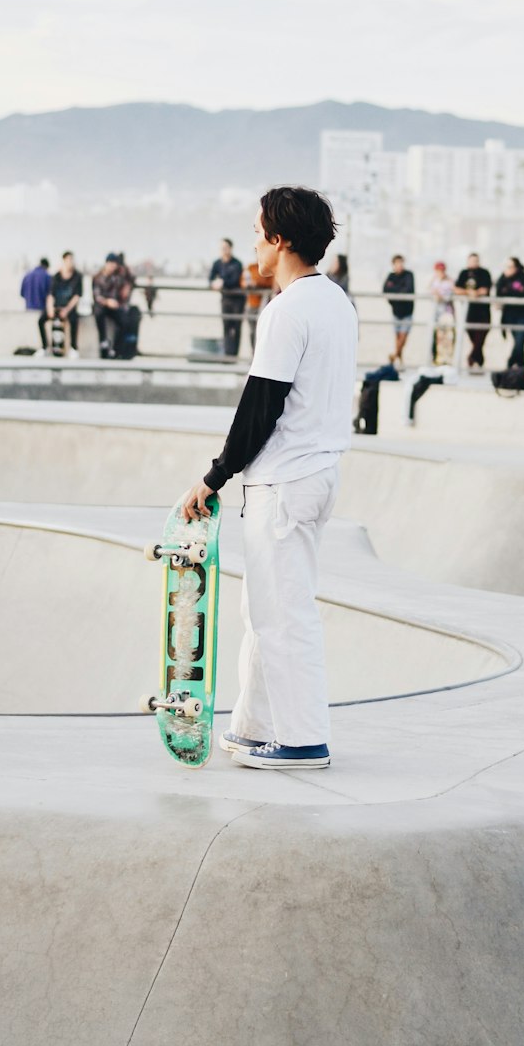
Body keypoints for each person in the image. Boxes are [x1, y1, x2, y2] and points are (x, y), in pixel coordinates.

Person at [180, 186, 358, 770]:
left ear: (280, 239)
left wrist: (214, 477)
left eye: (259, 232)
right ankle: (254, 725)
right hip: (316, 474)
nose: (254, 243)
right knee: (263, 611)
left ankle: (304, 739)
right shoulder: (336, 301)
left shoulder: (287, 310)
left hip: (284, 482)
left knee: (284, 615)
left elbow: (261, 405)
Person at [495, 256, 524, 368]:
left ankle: (509, 365)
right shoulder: (502, 279)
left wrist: (508, 292)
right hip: (510, 316)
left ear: (516, 267)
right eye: (506, 267)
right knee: (519, 343)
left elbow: (523, 294)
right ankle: (520, 367)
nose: (507, 269)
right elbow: (498, 295)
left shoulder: (523, 277)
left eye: (510, 267)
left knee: (519, 341)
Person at [454, 253, 492, 370]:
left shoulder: (484, 273)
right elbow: (456, 288)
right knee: (473, 338)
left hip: (483, 311)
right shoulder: (464, 273)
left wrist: (475, 293)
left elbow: (485, 290)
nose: (473, 263)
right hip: (469, 311)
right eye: (471, 260)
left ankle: (471, 358)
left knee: (480, 338)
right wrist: (469, 292)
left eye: (475, 260)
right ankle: (478, 360)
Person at [209, 238, 245, 358]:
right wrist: (213, 283)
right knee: (226, 325)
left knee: (236, 327)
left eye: (225, 248)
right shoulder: (217, 263)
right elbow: (210, 278)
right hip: (225, 298)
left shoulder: (237, 264)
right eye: (222, 248)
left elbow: (235, 280)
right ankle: (227, 353)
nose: (223, 250)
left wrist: (222, 283)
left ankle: (234, 354)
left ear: (230, 248)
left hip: (238, 299)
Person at [92, 253, 132, 358]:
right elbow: (97, 297)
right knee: (99, 312)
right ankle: (103, 342)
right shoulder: (98, 277)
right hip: (102, 305)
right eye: (112, 264)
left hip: (114, 306)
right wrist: (107, 302)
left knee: (124, 321)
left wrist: (127, 287)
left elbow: (130, 278)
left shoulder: (118, 277)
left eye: (115, 265)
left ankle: (116, 350)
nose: (114, 267)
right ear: (107, 264)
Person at [43, 251, 83, 356]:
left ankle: (73, 348)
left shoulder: (77, 276)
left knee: (74, 319)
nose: (70, 262)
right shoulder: (56, 276)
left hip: (69, 308)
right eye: (68, 260)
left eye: (72, 260)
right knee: (41, 319)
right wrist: (50, 308)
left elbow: (77, 296)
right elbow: (50, 295)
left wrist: (67, 310)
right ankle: (44, 347)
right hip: (56, 307)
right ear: (64, 261)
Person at [383, 254, 415, 365]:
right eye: (397, 263)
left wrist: (394, 290)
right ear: (393, 265)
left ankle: (394, 355)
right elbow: (385, 290)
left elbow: (408, 289)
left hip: (407, 311)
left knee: (403, 336)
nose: (399, 265)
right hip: (395, 311)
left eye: (401, 263)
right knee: (397, 337)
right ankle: (399, 359)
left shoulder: (409, 275)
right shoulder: (390, 276)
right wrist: (398, 291)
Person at [241, 257, 273, 352]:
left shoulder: (268, 268)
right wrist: (247, 284)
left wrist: (256, 283)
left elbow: (271, 283)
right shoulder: (251, 267)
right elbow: (243, 281)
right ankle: (253, 353)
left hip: (264, 304)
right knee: (252, 331)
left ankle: (261, 352)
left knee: (263, 331)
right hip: (252, 303)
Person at [428, 262, 455, 365]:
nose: (440, 273)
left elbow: (449, 295)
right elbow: (428, 290)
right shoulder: (434, 281)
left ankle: (447, 358)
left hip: (447, 312)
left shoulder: (449, 282)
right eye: (438, 271)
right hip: (436, 313)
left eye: (442, 270)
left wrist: (439, 295)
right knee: (436, 336)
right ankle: (436, 358)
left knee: (447, 336)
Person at [20, 258, 51, 339]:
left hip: (28, 309)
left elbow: (22, 293)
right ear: (46, 266)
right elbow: (50, 295)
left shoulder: (27, 275)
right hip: (42, 310)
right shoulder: (47, 276)